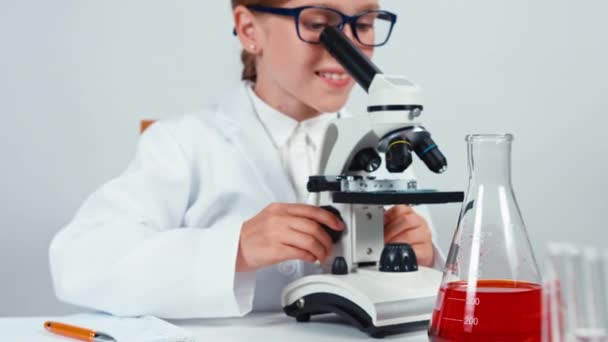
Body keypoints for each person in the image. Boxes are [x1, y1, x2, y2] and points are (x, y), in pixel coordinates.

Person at [49, 0, 443, 319]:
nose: (351, 45)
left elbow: (428, 279)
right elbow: (80, 263)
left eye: (367, 21)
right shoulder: (182, 142)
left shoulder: (382, 145)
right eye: (319, 23)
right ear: (249, 29)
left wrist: (421, 252)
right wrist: (235, 248)